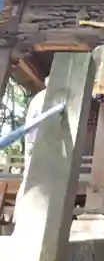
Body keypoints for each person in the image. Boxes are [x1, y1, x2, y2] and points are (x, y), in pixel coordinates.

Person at [13, 76, 49, 222]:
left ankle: (27, 216)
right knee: (32, 181)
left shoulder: (39, 98)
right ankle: (24, 216)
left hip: (39, 145)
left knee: (34, 181)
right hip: (38, 145)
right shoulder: (43, 98)